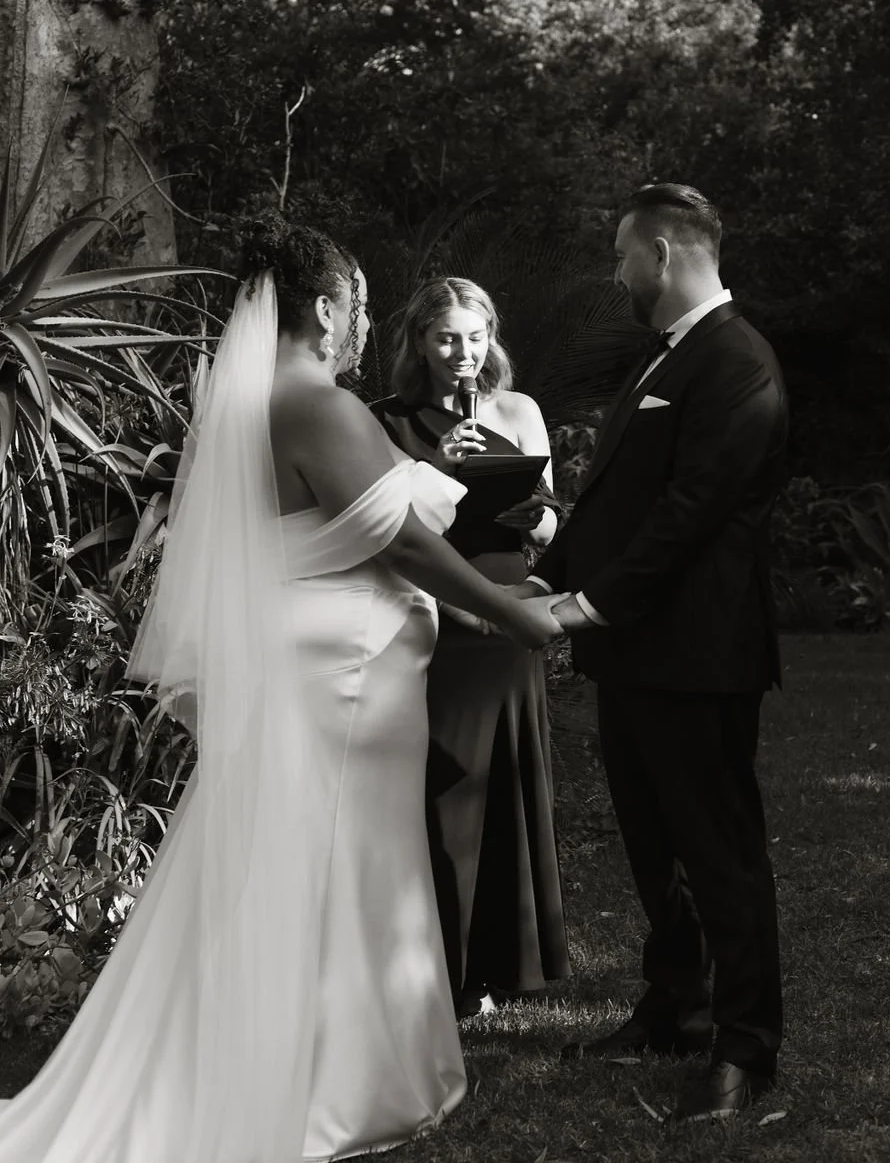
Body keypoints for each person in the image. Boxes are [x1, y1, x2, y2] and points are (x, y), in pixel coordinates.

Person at [0, 218, 561, 1163]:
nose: (365, 324)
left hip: (332, 671)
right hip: (343, 688)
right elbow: (402, 541)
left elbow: (338, 542)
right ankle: (326, 1085)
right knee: (331, 868)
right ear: (329, 308)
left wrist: (470, 613)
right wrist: (509, 612)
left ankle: (328, 1060)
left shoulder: (254, 402)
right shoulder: (318, 403)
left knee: (313, 865)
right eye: (364, 307)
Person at [517, 183, 788, 1123]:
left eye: (624, 257)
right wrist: (547, 563)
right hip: (635, 654)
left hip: (700, 657)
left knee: (720, 854)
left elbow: (690, 515)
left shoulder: (737, 361)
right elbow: (621, 503)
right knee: (653, 849)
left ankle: (746, 1047)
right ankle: (677, 1006)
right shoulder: (666, 356)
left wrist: (585, 606)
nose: (618, 274)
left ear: (665, 253)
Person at [372, 277, 571, 1015]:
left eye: (476, 336)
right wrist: (444, 471)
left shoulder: (520, 411)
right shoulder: (385, 422)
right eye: (447, 337)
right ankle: (440, 971)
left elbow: (553, 523)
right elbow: (391, 534)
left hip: (510, 610)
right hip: (437, 615)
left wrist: (537, 521)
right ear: (419, 342)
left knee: (509, 784)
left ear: (493, 339)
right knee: (442, 791)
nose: (463, 352)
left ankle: (506, 962)